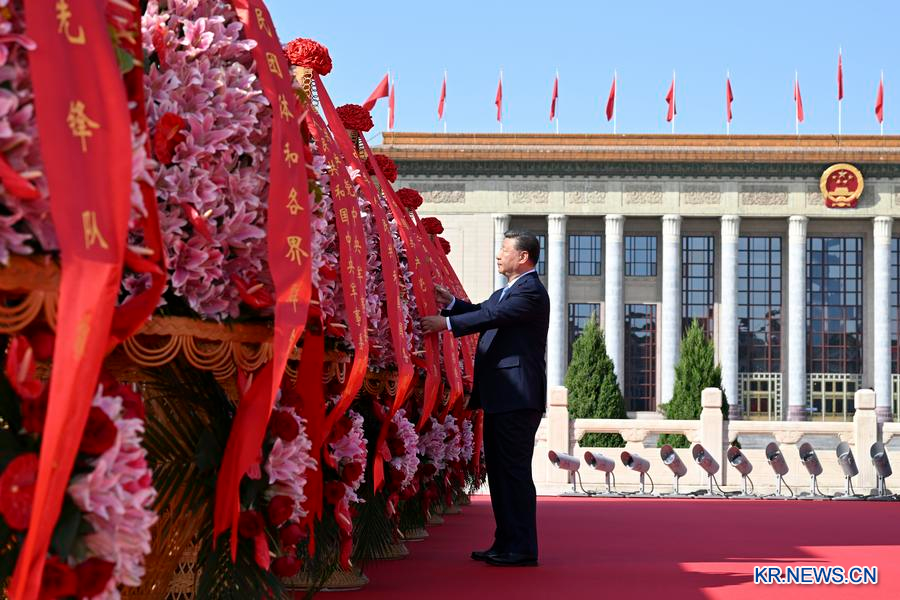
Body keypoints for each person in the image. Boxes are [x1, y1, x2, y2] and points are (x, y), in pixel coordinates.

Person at [420, 230, 550, 567]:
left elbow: (492, 317)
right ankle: (505, 541)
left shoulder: (531, 292)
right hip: (500, 397)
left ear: (523, 256)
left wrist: (446, 324)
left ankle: (522, 547)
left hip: (517, 397)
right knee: (501, 472)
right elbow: (482, 310)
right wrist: (451, 303)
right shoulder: (506, 291)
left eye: (505, 249)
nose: (498, 255)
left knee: (514, 473)